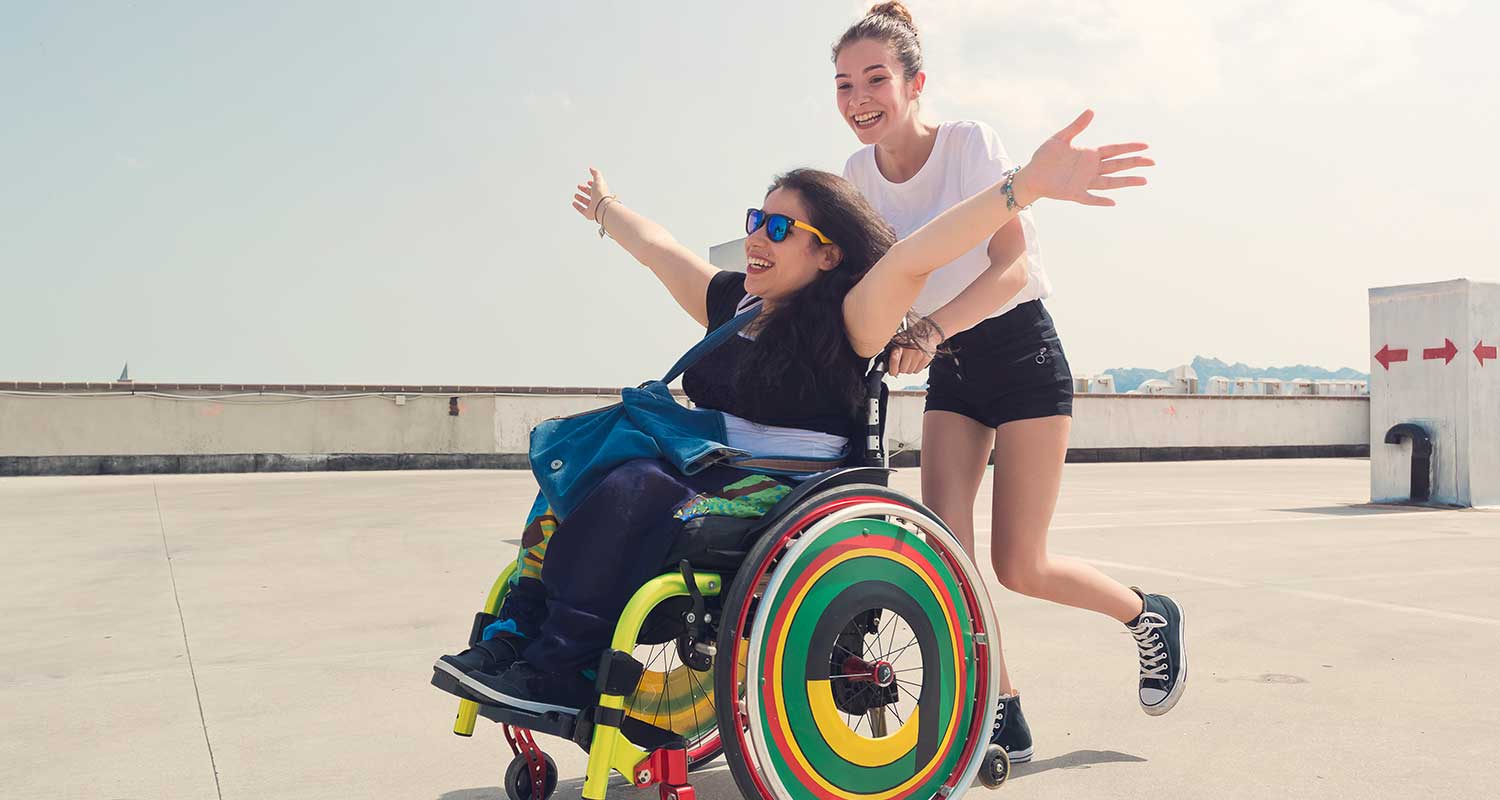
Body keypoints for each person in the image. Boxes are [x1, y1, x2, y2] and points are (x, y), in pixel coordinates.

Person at [431, 110, 1154, 716]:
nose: (756, 238)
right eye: (756, 220)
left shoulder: (850, 317)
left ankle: (562, 671)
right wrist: (608, 210)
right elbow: (661, 253)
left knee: (630, 484)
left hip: (787, 487)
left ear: (829, 253)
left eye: (779, 229)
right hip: (712, 470)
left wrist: (1023, 186)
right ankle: (515, 635)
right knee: (577, 466)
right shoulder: (732, 304)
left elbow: (914, 260)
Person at [829, 1, 1188, 762]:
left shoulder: (966, 144)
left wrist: (928, 329)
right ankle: (999, 704)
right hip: (951, 371)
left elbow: (1012, 267)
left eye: (875, 78)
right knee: (944, 558)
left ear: (914, 82)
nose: (859, 98)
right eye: (843, 84)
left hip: (1021, 351)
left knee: (1019, 563)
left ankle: (1147, 615)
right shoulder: (855, 176)